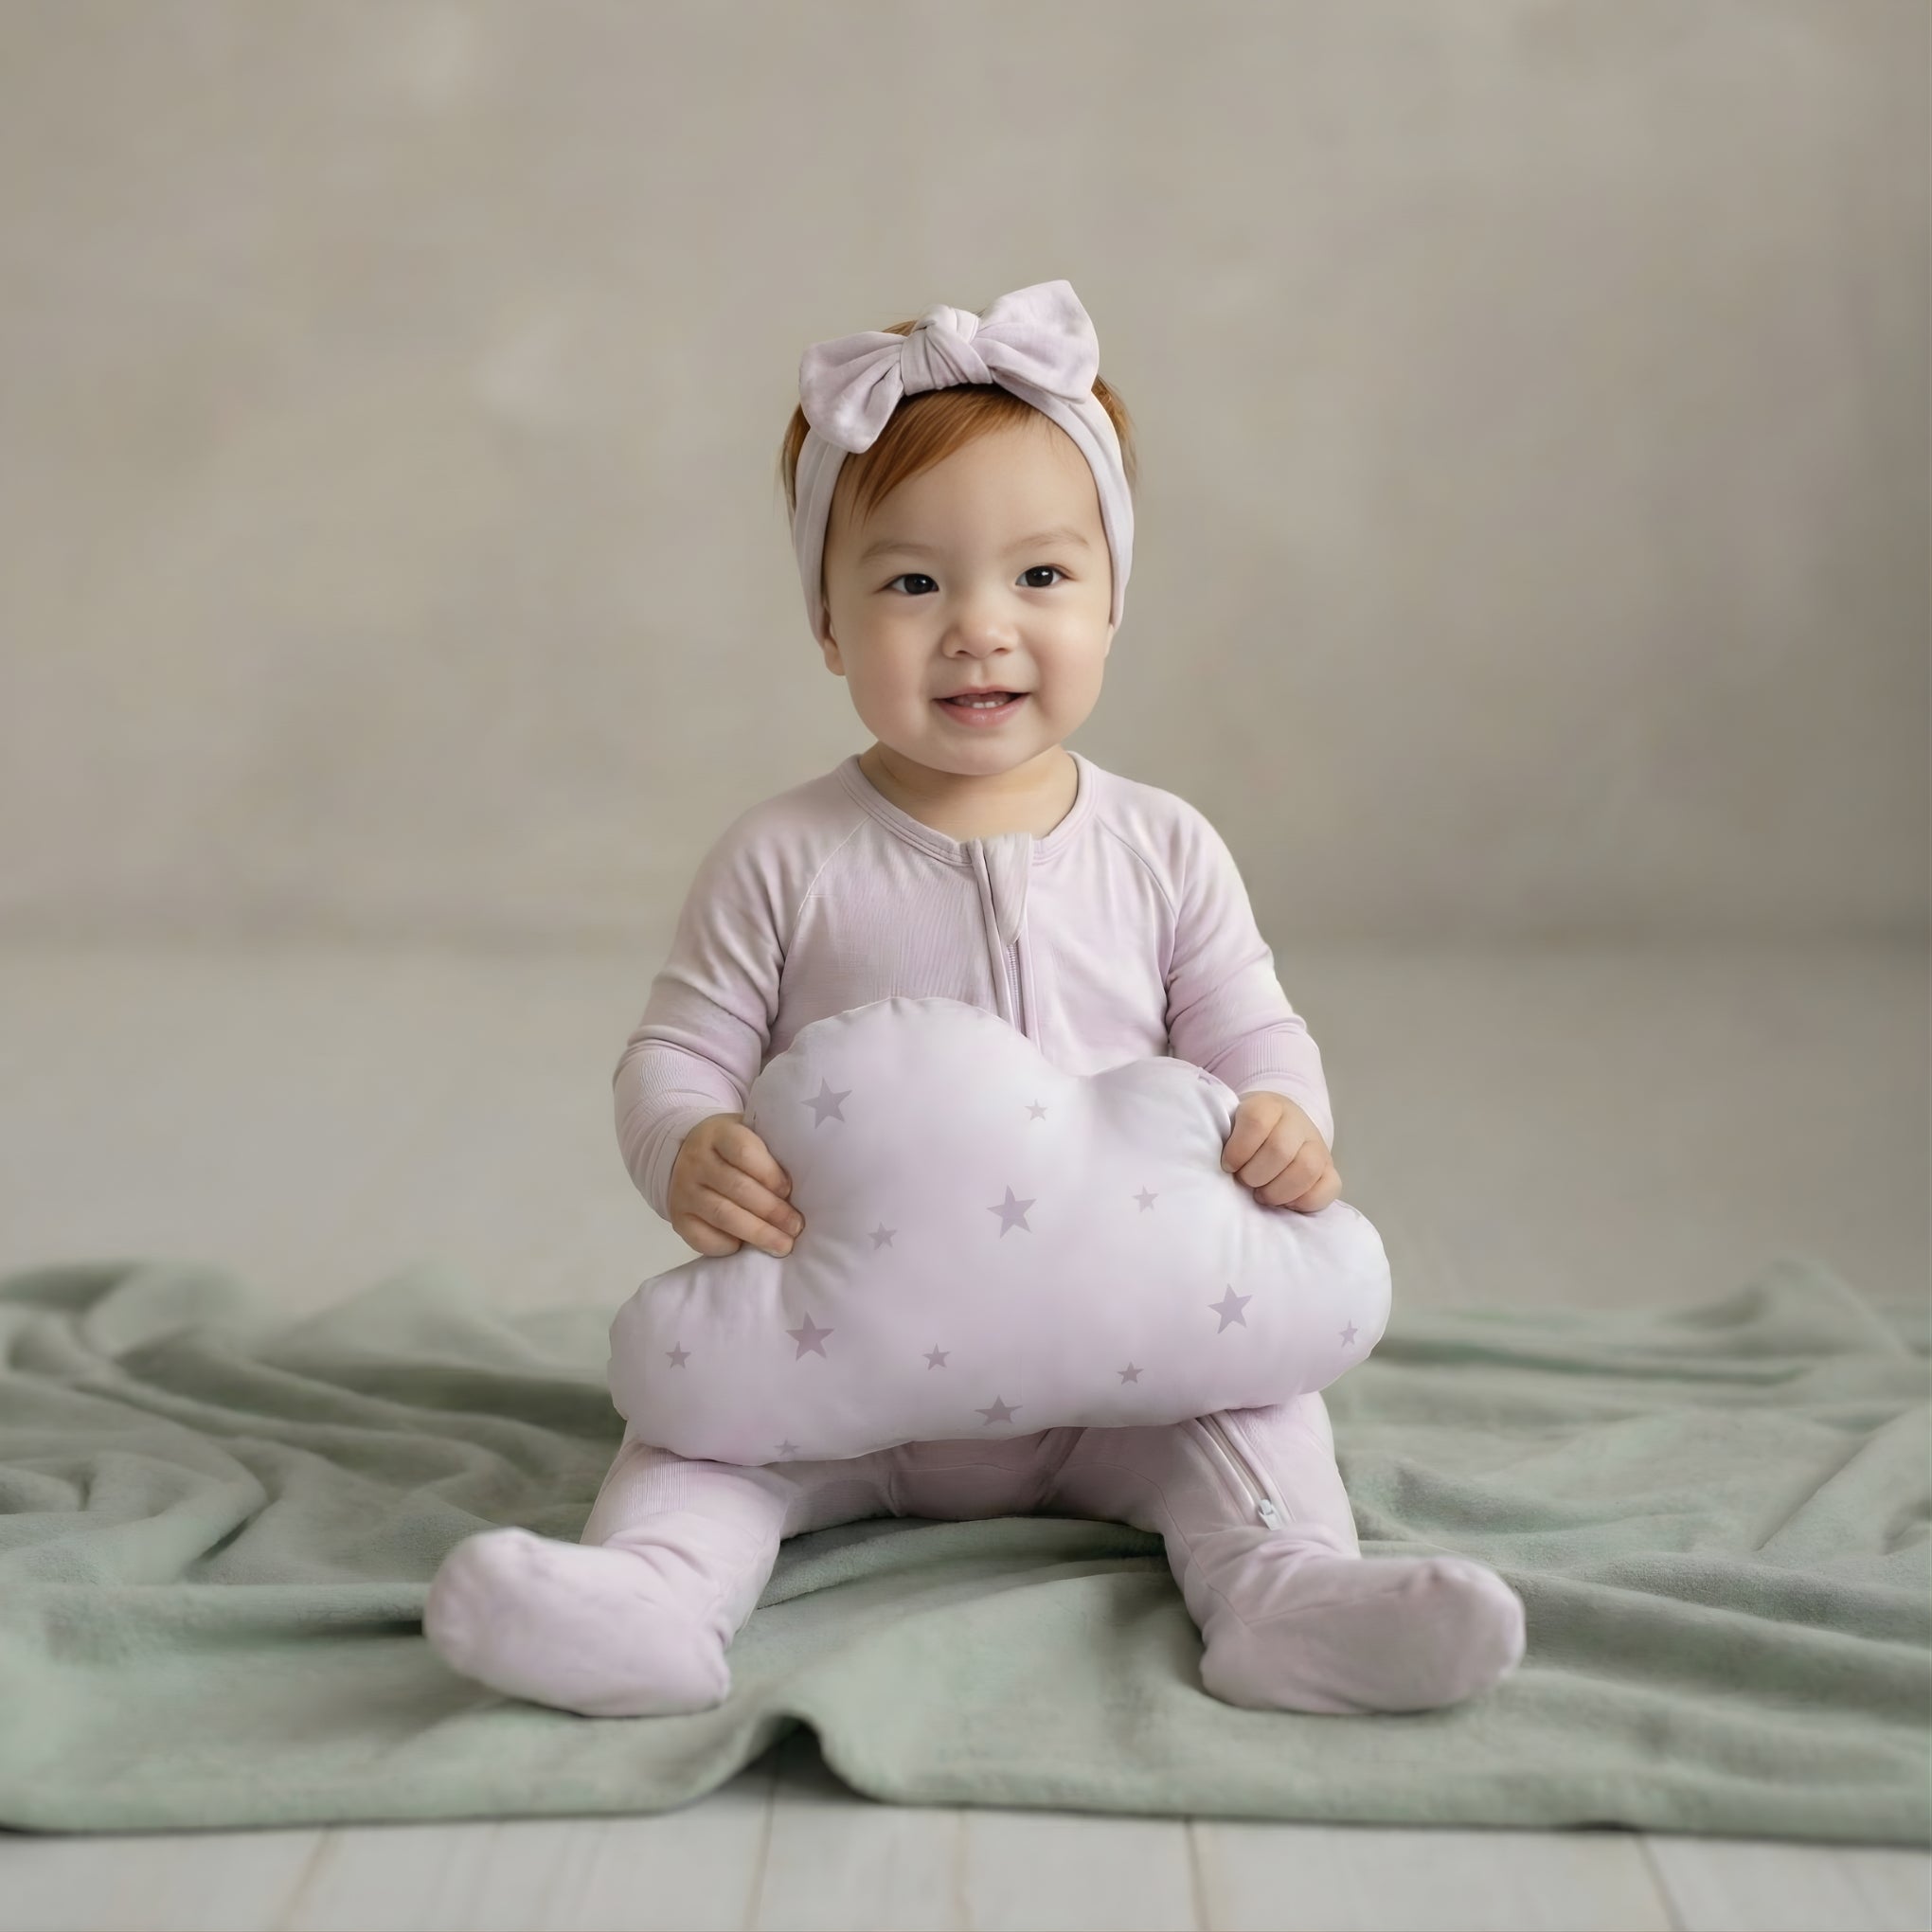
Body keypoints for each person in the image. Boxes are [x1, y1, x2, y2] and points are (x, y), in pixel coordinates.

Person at [422, 279, 1526, 1719]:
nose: (980, 629)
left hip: (1127, 1366)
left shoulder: (1162, 846)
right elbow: (678, 1050)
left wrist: (1281, 1119)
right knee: (698, 1445)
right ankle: (649, 1601)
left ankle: (1288, 1599)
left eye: (1042, 576)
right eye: (912, 584)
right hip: (849, 1368)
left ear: (1114, 600)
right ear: (827, 621)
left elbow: (1250, 1027)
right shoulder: (784, 856)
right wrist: (686, 1145)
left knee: (1257, 1419)